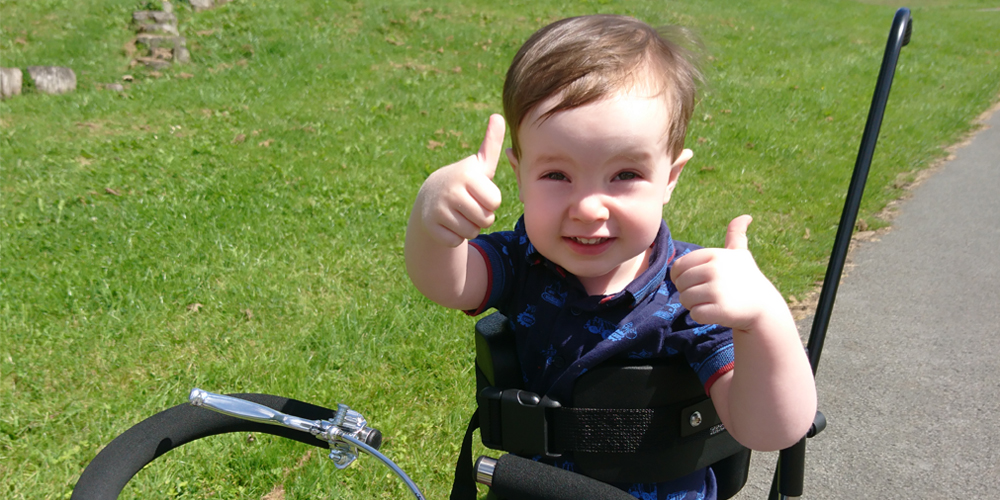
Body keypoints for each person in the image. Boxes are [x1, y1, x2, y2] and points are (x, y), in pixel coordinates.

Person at [405, 14, 817, 500]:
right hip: (536, 491)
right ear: (519, 174)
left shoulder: (692, 291)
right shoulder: (522, 262)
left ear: (670, 176)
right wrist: (432, 215)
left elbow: (770, 431)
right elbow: (446, 282)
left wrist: (764, 320)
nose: (588, 208)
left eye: (624, 174)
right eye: (557, 176)